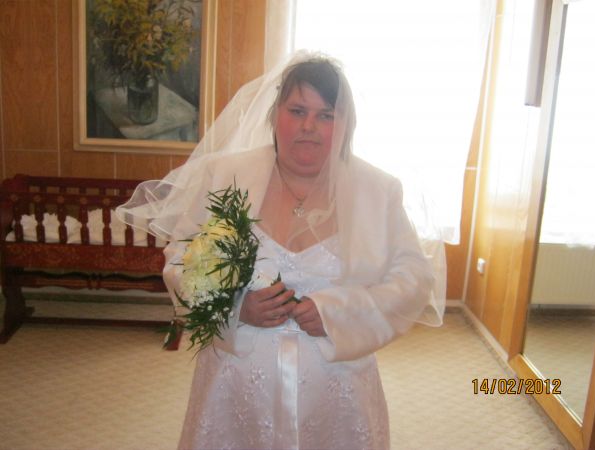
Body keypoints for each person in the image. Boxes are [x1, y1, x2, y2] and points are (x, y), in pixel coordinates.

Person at [117, 51, 445, 450]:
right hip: (234, 388)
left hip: (339, 392)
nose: (309, 126)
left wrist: (337, 314)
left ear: (345, 124)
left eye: (326, 115)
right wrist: (236, 307)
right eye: (298, 110)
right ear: (275, 115)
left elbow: (414, 279)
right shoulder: (225, 176)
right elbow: (179, 260)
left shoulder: (378, 190)